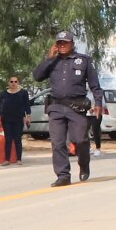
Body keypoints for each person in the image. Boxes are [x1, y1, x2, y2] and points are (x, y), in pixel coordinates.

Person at [32, 34, 102, 186]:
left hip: (76, 107)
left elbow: (94, 84)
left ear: (72, 44)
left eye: (65, 43)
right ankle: (63, 175)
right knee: (58, 143)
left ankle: (84, 164)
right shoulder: (52, 61)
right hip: (56, 107)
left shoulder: (83, 60)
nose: (62, 45)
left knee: (80, 140)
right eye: (59, 43)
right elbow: (37, 76)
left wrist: (98, 102)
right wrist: (48, 59)